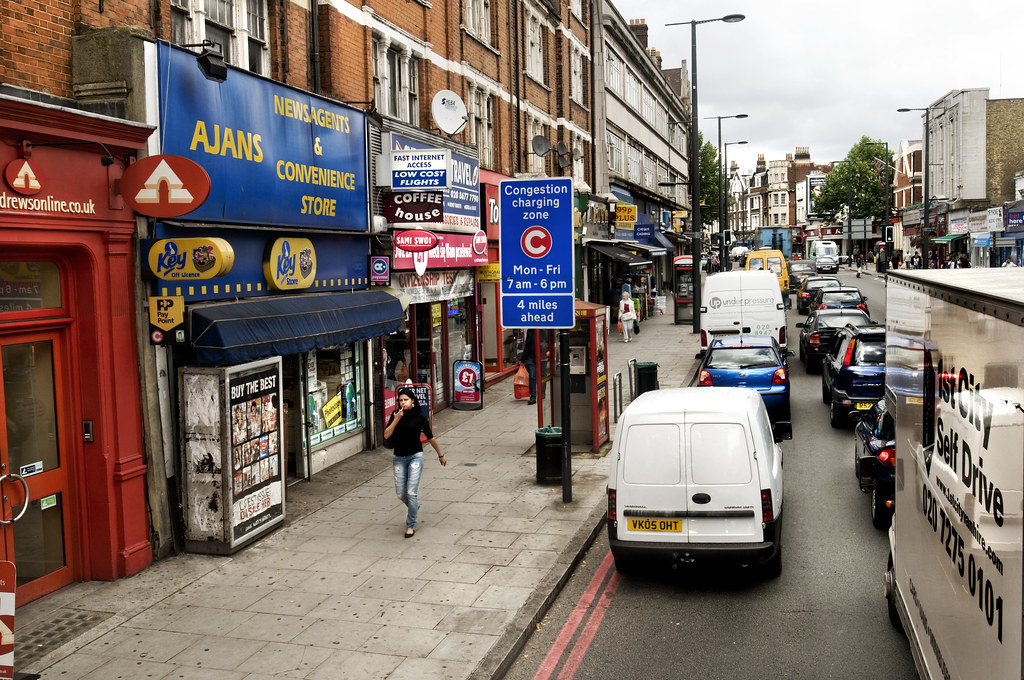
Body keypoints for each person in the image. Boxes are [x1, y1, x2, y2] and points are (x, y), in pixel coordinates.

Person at [383, 387, 445, 538]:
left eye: (406, 400)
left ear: (412, 401)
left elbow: (430, 437)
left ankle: (410, 524)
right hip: (399, 457)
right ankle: (414, 506)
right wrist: (396, 419)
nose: (403, 403)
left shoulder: (420, 417)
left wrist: (440, 455)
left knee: (411, 492)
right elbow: (386, 435)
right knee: (400, 494)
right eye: (400, 400)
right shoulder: (395, 414)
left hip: (415, 457)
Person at [520, 329, 537, 405]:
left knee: (542, 376)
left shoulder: (544, 329)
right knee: (532, 377)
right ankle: (533, 397)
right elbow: (527, 345)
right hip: (531, 356)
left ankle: (542, 394)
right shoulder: (531, 330)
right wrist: (523, 359)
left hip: (542, 355)